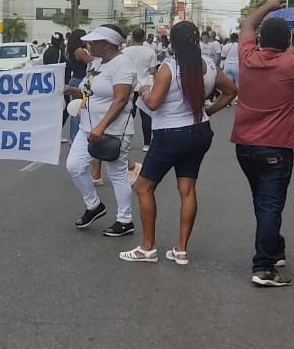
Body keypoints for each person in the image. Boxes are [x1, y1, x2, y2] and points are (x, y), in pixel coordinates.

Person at [121, 21, 237, 264]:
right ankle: (181, 249)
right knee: (187, 190)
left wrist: (143, 90)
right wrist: (210, 111)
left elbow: (152, 103)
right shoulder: (209, 65)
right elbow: (231, 91)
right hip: (200, 131)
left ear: (172, 42)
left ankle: (147, 248)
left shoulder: (169, 68)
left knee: (143, 187)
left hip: (170, 134)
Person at [229, 0, 294, 287]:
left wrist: (269, 6)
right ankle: (264, 268)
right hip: (276, 147)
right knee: (270, 205)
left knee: (264, 202)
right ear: (287, 42)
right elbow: (293, 52)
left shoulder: (247, 58)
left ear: (260, 39)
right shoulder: (292, 61)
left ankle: (275, 248)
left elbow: (247, 23)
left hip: (244, 145)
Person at [62, 26, 137, 235]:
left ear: (107, 44)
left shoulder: (122, 65)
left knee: (117, 174)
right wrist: (72, 91)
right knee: (74, 166)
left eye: (93, 42)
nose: (89, 45)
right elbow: (90, 93)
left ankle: (125, 220)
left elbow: (121, 98)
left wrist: (102, 126)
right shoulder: (97, 64)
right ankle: (94, 205)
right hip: (88, 127)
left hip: (112, 130)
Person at [122, 27, 159, 152]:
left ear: (132, 38)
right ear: (143, 38)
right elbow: (154, 71)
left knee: (127, 114)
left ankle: (125, 142)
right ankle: (147, 143)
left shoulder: (125, 51)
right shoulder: (150, 52)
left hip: (129, 86)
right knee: (146, 116)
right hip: (145, 87)